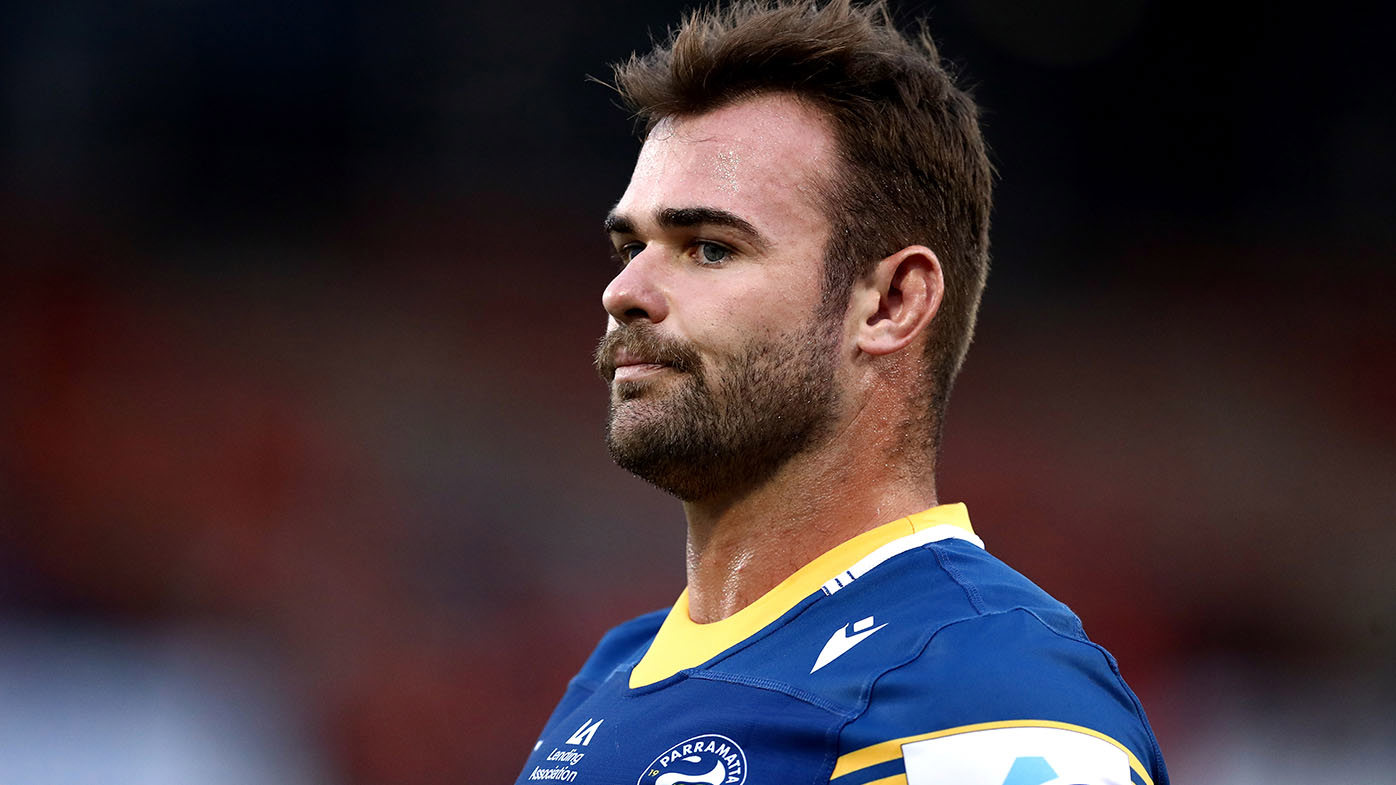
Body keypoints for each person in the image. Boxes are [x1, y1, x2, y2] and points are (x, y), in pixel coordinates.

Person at [516, 1, 1169, 783]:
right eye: (631, 246)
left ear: (892, 303)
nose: (623, 291)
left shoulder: (990, 692)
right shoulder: (612, 672)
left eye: (710, 247)